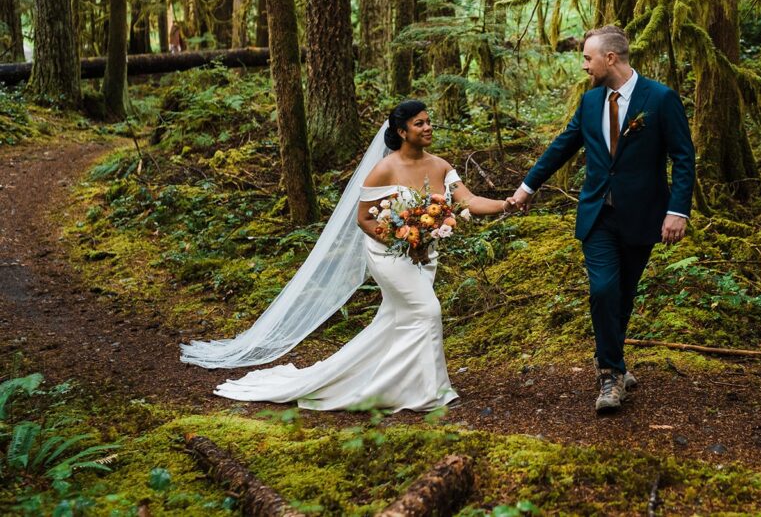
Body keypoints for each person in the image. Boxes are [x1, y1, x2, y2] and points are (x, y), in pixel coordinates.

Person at [181, 100, 514, 412]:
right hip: (389, 255)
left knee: (395, 322)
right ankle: (431, 392)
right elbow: (365, 218)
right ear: (401, 132)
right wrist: (403, 237)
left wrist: (504, 204)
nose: (428, 128)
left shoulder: (441, 166)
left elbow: (468, 201)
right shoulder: (384, 170)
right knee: (428, 310)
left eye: (429, 123)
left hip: (425, 254)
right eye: (419, 123)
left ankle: (383, 383)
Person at [510, 25, 696, 413]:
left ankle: (613, 358)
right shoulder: (591, 102)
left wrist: (677, 211)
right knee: (603, 290)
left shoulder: (660, 99)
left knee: (624, 294)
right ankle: (610, 374)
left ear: (609, 58)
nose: (584, 66)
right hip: (598, 214)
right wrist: (528, 187)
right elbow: (563, 144)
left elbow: (683, 157)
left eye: (587, 58)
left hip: (643, 214)